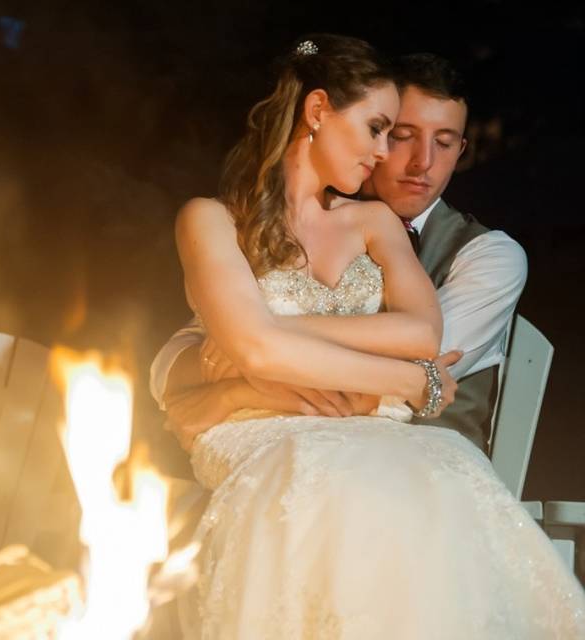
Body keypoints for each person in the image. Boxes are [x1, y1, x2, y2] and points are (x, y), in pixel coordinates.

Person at [164, 34, 585, 638]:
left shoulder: (429, 237)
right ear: (317, 113)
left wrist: (255, 332)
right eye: (384, 130)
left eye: (441, 143)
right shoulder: (213, 218)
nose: (393, 155)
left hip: (379, 435)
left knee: (435, 474)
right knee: (342, 488)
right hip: (277, 430)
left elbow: (422, 333)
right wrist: (409, 380)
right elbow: (205, 348)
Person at [152, 53, 526, 455]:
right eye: (394, 132)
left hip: (417, 454)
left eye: (445, 142)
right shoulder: (224, 220)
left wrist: (254, 340)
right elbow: (182, 356)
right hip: (278, 445)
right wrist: (238, 365)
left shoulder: (488, 254)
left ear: (461, 149)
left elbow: (423, 361)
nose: (422, 162)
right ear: (319, 113)